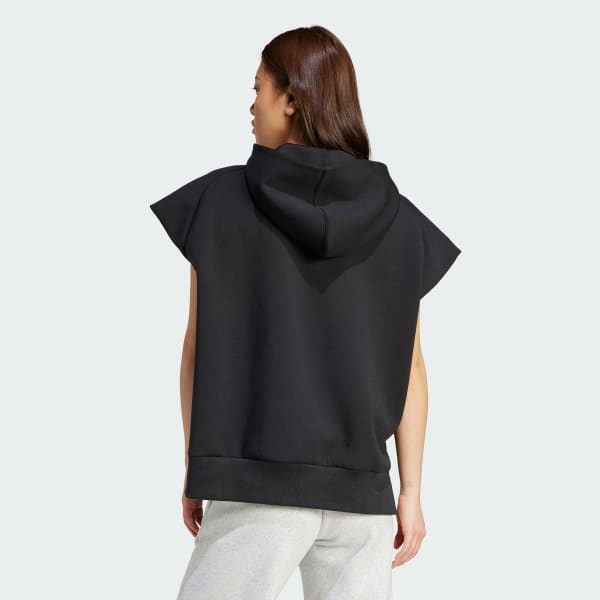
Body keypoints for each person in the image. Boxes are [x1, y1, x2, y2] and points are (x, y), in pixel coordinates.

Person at [150, 25, 461, 600]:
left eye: (258, 89)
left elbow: (197, 350)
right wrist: (410, 492)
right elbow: (411, 369)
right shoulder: (400, 221)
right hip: (362, 500)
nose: (252, 105)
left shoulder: (218, 203)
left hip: (255, 486)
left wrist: (200, 467)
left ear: (290, 99)